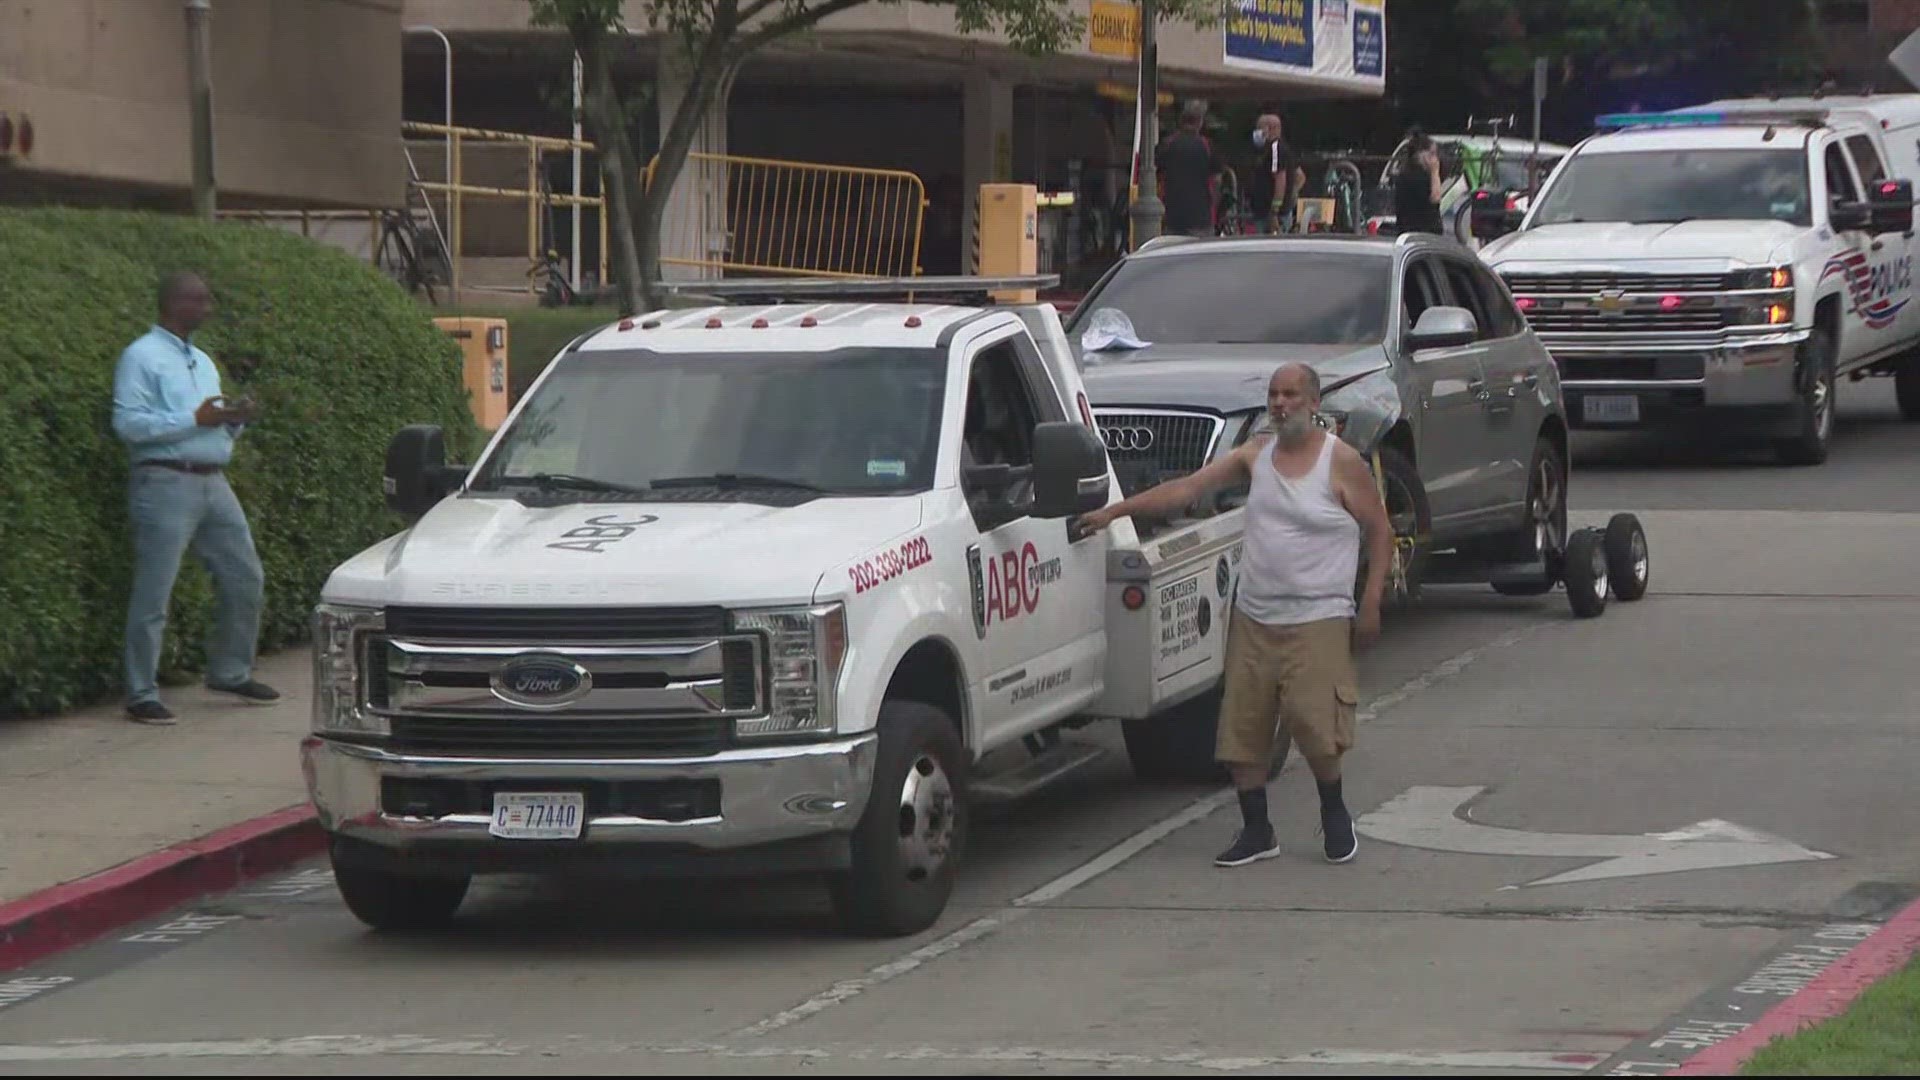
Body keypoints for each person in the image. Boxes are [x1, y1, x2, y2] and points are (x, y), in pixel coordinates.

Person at [1078, 362, 1392, 867]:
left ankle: (1335, 813)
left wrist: (1371, 599)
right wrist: (1115, 512)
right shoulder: (1255, 455)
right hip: (1254, 613)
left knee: (1316, 725)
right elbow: (1187, 490)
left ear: (1314, 404)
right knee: (1243, 730)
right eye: (1273, 394)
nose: (1280, 404)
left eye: (1291, 395)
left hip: (1319, 614)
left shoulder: (1341, 462)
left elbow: (1380, 531)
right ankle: (1257, 830)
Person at [111, 271, 279, 725]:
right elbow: (129, 426)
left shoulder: (202, 360)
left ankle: (230, 671)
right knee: (155, 591)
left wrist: (234, 419)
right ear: (173, 304)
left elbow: (210, 418)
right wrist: (194, 419)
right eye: (198, 300)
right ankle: (141, 692)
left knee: (246, 577)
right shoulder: (140, 357)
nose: (207, 307)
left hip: (213, 481)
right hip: (165, 481)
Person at [1160, 99, 1224, 238]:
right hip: (1201, 215)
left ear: (1181, 121)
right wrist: (1215, 203)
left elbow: (1158, 175)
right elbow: (1217, 180)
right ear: (1200, 121)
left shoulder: (1167, 145)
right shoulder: (1207, 146)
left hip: (1173, 214)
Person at [1251, 113, 1307, 234]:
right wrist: (1292, 193)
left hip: (1271, 215)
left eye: (1259, 128)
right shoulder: (1284, 149)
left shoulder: (1276, 149)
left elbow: (1280, 180)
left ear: (1268, 129)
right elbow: (1300, 176)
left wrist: (1274, 211)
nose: (1257, 132)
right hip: (1276, 212)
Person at [1393, 127, 1446, 236]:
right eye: (1431, 154)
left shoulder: (1405, 173)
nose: (1435, 158)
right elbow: (1435, 198)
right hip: (1424, 231)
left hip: (1408, 230)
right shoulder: (1418, 176)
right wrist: (1435, 172)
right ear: (1420, 154)